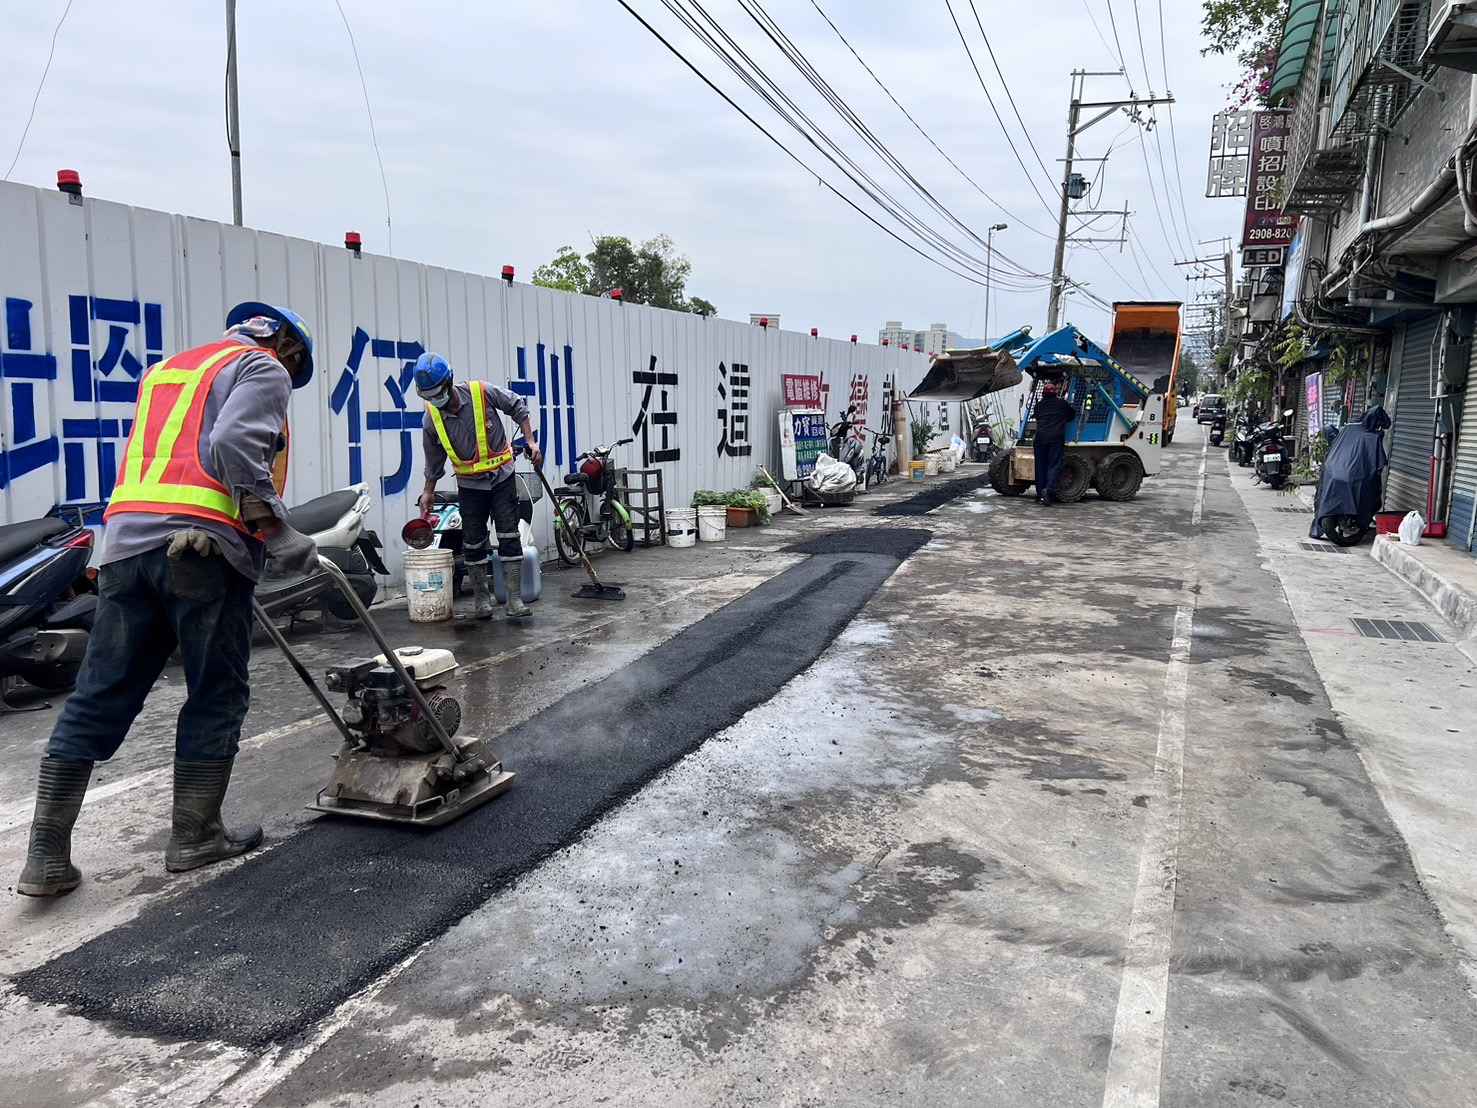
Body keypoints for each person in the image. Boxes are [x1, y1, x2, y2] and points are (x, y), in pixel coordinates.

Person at [16, 303, 319, 898]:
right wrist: (276, 532)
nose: (290, 370)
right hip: (201, 547)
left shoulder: (169, 371)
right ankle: (194, 836)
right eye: (295, 361)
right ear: (285, 344)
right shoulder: (263, 368)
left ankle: (46, 858)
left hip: (127, 547)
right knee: (216, 691)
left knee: (99, 693)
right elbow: (235, 443)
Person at [415, 354, 541, 620]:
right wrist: (428, 491)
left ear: (448, 383)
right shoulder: (431, 419)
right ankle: (482, 600)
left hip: (502, 478)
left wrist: (530, 441)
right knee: (472, 542)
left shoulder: (480, 392)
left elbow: (517, 406)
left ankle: (514, 599)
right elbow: (433, 459)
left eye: (438, 393)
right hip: (470, 485)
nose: (436, 400)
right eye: (429, 396)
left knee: (508, 535)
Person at [1031, 381, 1076, 505]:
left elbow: (1037, 417)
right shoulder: (1062, 404)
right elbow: (1072, 415)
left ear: (1043, 394)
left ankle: (1040, 493)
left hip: (1040, 439)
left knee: (1040, 466)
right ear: (1056, 393)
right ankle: (1048, 490)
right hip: (1055, 439)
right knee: (1054, 465)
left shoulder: (1038, 406)